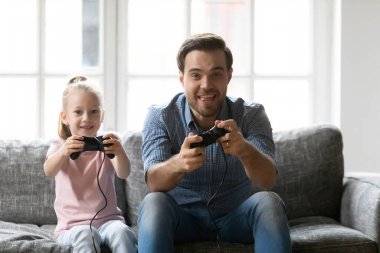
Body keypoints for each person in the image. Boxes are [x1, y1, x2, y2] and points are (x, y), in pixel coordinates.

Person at [138, 33, 292, 252]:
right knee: (153, 203)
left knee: (269, 201)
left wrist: (245, 150)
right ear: (182, 77)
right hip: (182, 220)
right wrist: (179, 163)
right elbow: (153, 182)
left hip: (236, 218)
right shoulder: (160, 116)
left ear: (229, 76)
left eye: (216, 74)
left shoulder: (251, 114)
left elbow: (267, 180)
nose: (206, 85)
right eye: (196, 75)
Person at [44, 75, 136, 253]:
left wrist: (119, 151)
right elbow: (49, 170)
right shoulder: (59, 147)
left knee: (122, 232)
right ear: (65, 117)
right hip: (72, 228)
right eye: (78, 112)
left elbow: (124, 173)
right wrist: (64, 152)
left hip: (109, 221)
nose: (86, 118)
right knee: (86, 233)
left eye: (94, 111)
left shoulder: (108, 145)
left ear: (102, 115)